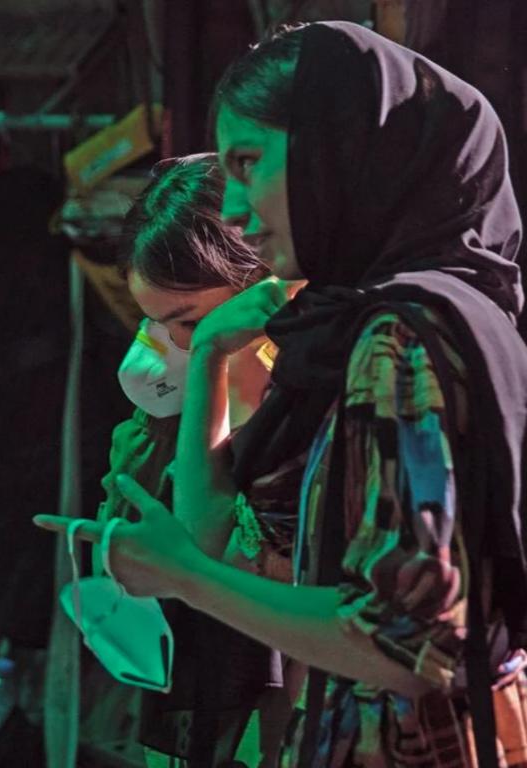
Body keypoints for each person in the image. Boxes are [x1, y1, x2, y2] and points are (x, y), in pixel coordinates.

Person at [39, 21, 527, 767]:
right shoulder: (414, 313)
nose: (235, 208)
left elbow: (409, 641)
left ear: (338, 151)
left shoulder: (399, 337)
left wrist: (188, 577)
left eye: (249, 163)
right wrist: (205, 356)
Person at [101, 153, 292, 768]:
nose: (174, 346)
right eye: (155, 325)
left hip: (285, 711)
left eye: (190, 320)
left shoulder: (308, 394)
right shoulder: (166, 420)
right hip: (194, 701)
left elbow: (212, 548)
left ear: (261, 282)